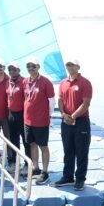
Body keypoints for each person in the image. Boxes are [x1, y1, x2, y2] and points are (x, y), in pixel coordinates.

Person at [55, 59, 92, 191]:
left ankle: (80, 179)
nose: (69, 66)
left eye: (72, 64)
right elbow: (60, 100)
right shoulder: (63, 83)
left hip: (81, 122)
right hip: (66, 121)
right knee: (68, 150)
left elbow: (86, 103)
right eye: (68, 64)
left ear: (78, 67)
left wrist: (73, 116)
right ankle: (68, 177)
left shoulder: (85, 82)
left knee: (81, 151)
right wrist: (63, 114)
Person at [23, 56, 55, 185]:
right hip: (28, 121)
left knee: (43, 146)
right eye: (28, 66)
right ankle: (36, 168)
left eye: (33, 66)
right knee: (32, 144)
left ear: (38, 67)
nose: (31, 68)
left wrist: (48, 116)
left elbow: (51, 102)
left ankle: (45, 172)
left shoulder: (46, 82)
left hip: (41, 121)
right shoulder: (26, 81)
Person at [6, 61, 31, 173]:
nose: (12, 71)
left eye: (14, 69)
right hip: (11, 114)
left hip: (22, 114)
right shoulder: (8, 81)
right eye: (10, 69)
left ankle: (27, 164)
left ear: (19, 70)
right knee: (13, 140)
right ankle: (15, 163)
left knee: (26, 140)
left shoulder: (24, 81)